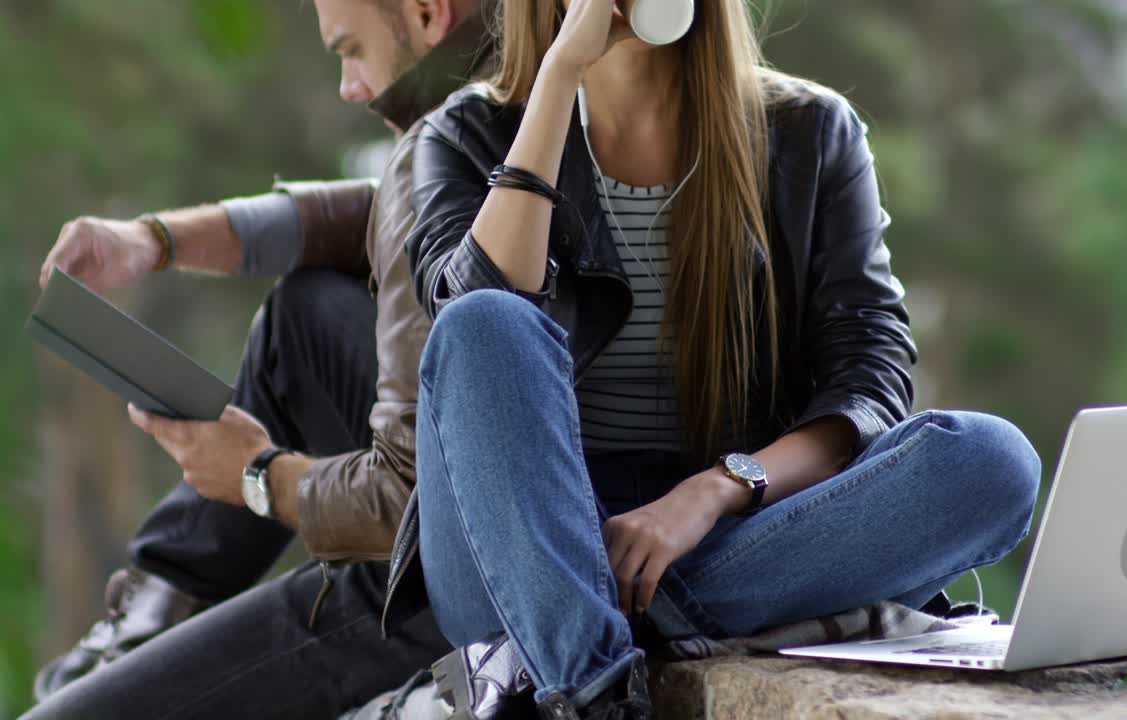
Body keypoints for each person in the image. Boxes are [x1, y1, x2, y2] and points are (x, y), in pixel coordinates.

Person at [389, 0, 1044, 717]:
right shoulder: (467, 130)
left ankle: (589, 643)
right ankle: (596, 688)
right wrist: (557, 78)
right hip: (513, 541)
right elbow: (474, 323)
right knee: (486, 320)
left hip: (730, 527)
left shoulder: (810, 132)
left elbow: (871, 377)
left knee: (992, 460)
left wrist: (717, 490)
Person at [25, 0, 485, 717]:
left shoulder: (474, 139)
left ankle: (156, 612)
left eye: (349, 50)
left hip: (451, 586)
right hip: (452, 530)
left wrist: (255, 474)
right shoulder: (515, 112)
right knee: (307, 309)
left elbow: (414, 506)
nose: (349, 87)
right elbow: (368, 212)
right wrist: (154, 240)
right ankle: (157, 604)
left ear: (428, 13)